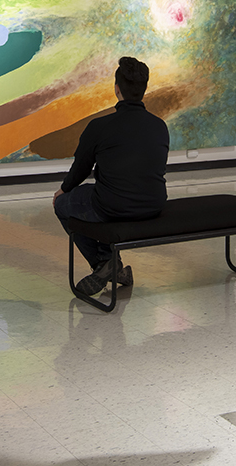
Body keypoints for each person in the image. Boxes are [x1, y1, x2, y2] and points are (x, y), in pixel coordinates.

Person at [53, 56, 170, 296]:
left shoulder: (100, 126)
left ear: (117, 89)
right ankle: (112, 266)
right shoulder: (159, 126)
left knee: (64, 205)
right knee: (104, 196)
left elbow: (81, 169)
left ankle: (104, 265)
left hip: (112, 206)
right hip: (153, 205)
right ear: (144, 89)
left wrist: (63, 190)